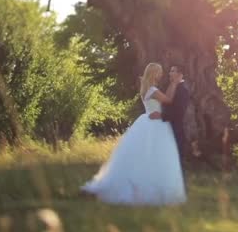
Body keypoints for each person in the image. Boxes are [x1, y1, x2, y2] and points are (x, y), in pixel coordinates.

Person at [80, 63, 186, 205]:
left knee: (149, 156)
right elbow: (168, 100)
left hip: (150, 121)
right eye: (159, 72)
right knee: (155, 155)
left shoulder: (147, 89)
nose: (162, 75)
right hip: (154, 124)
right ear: (154, 73)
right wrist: (174, 83)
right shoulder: (153, 90)